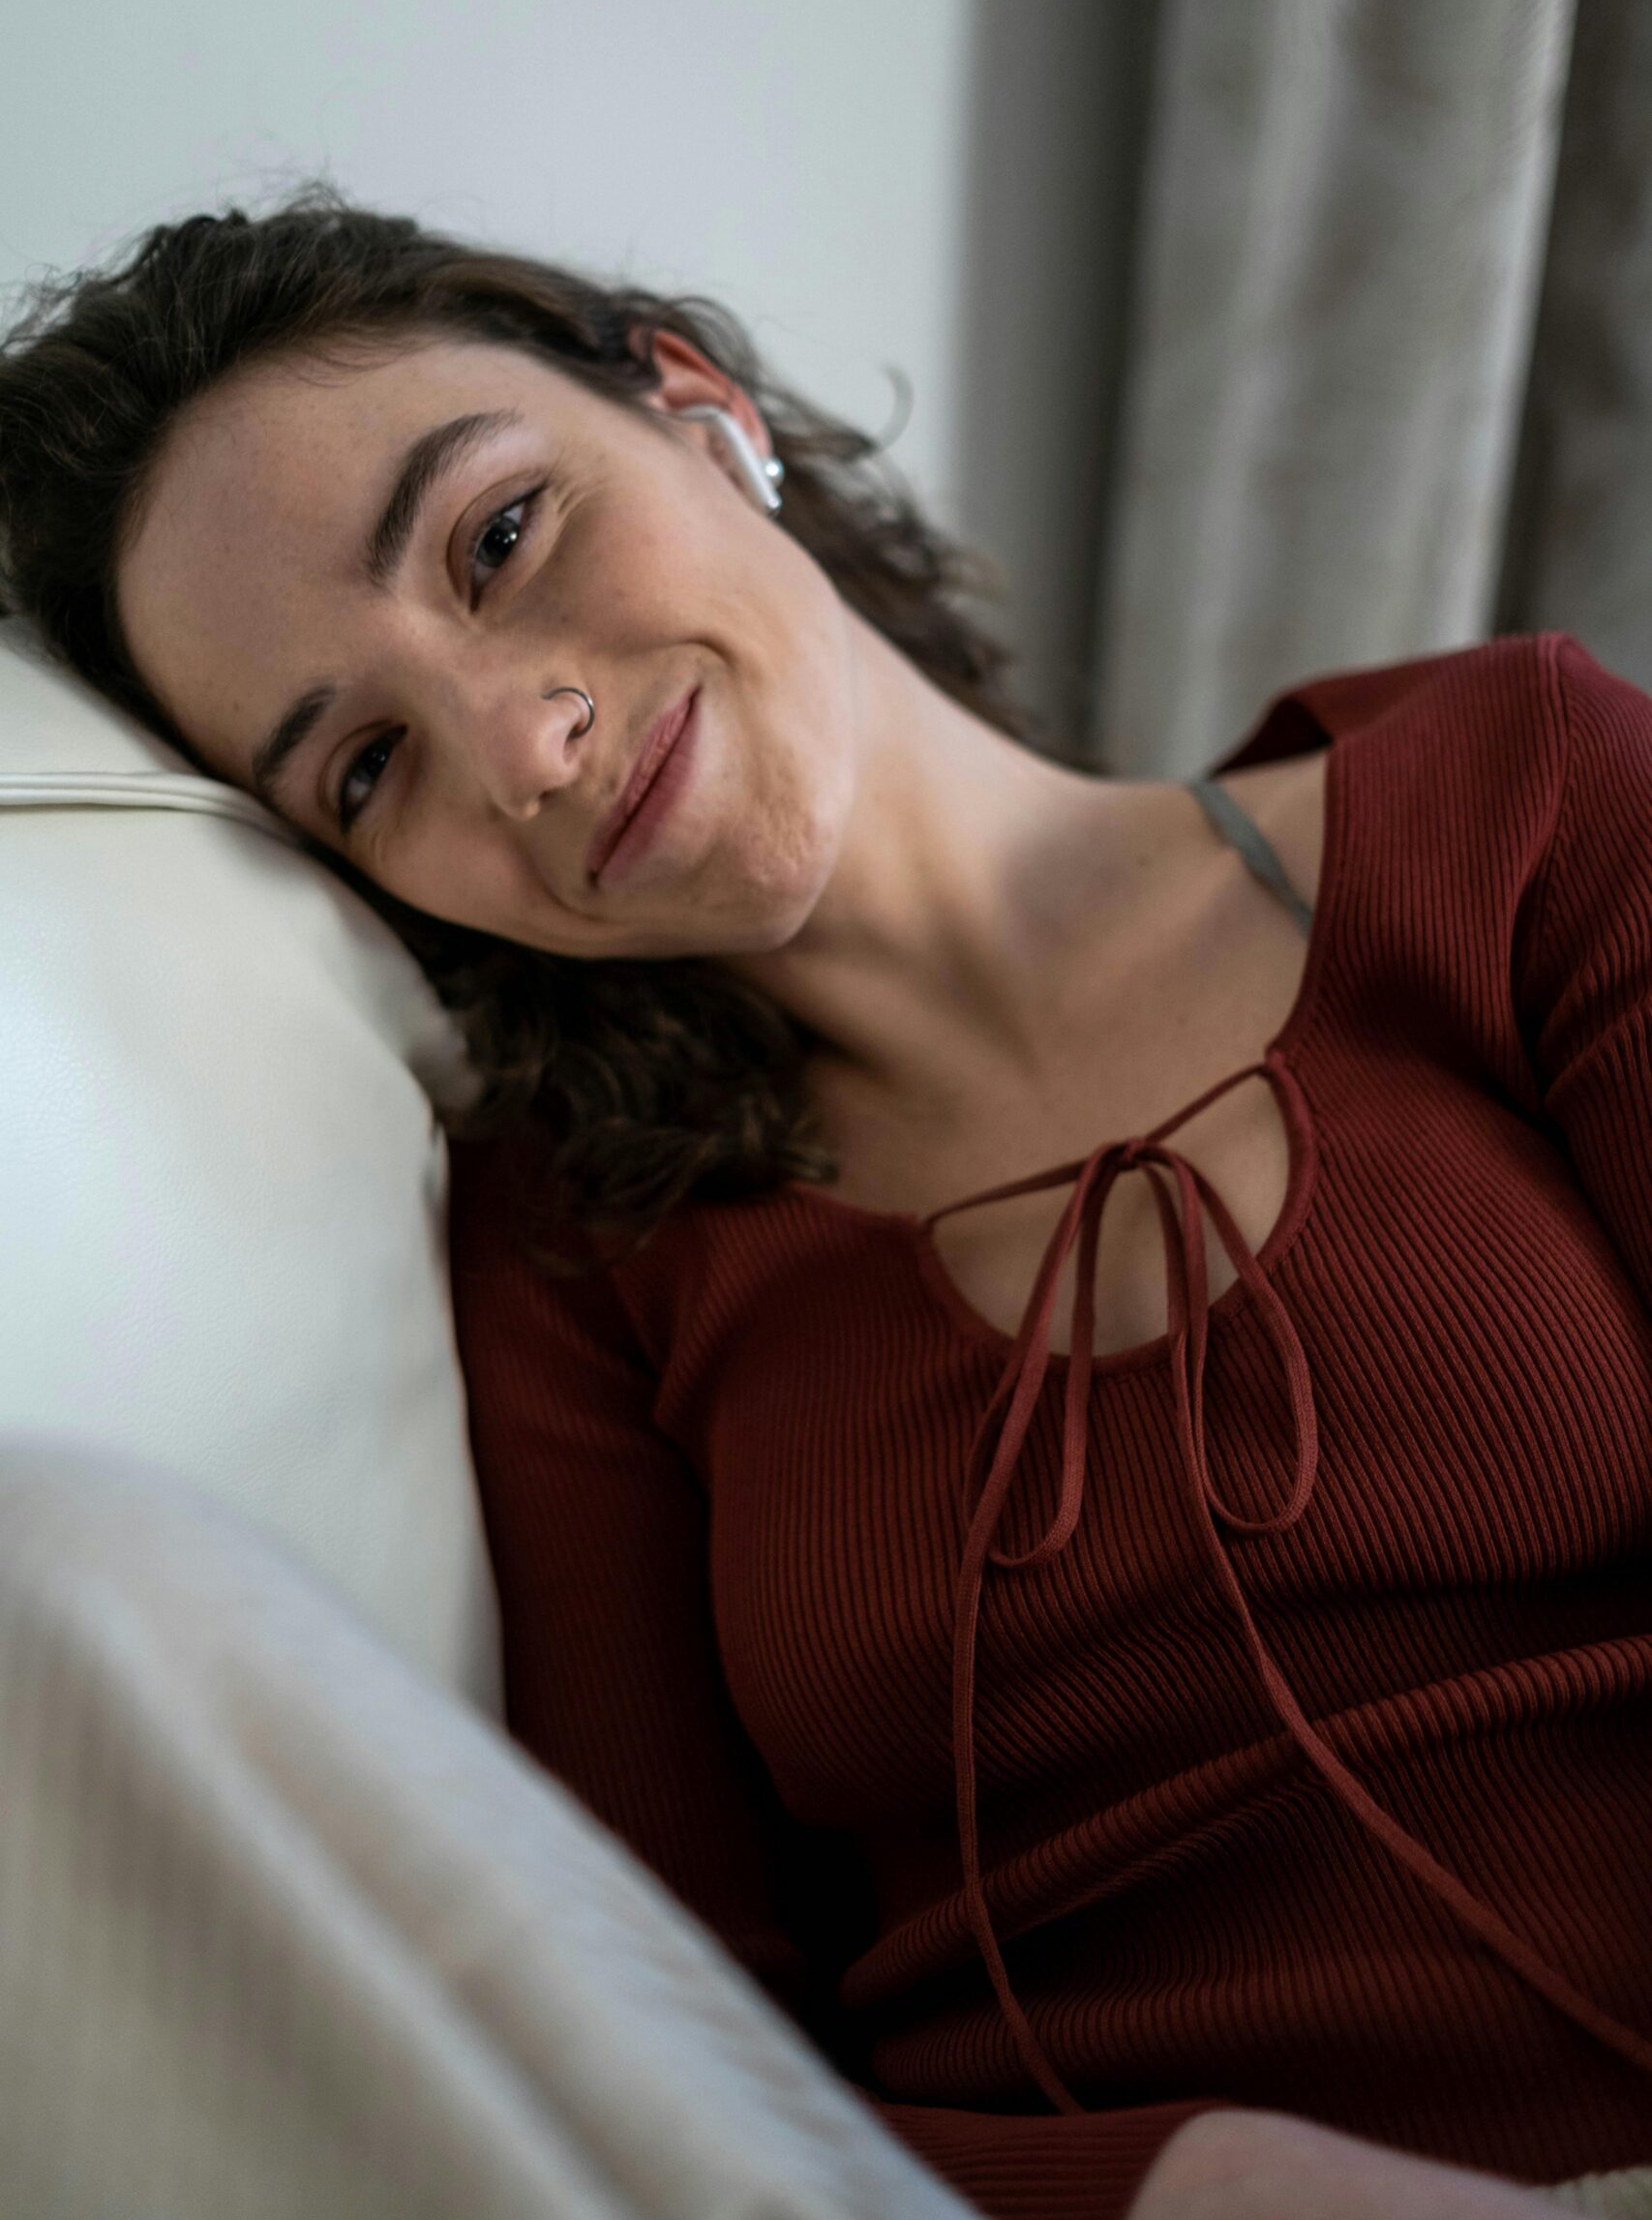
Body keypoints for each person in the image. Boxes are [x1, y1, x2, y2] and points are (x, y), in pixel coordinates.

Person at [1, 190, 1648, 2220]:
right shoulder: (580, 1259)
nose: (518, 741)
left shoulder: (1522, 799)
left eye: (498, 537)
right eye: (363, 767)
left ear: (692, 405)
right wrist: (1185, 2179)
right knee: (51, 1590)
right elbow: (668, 2031)